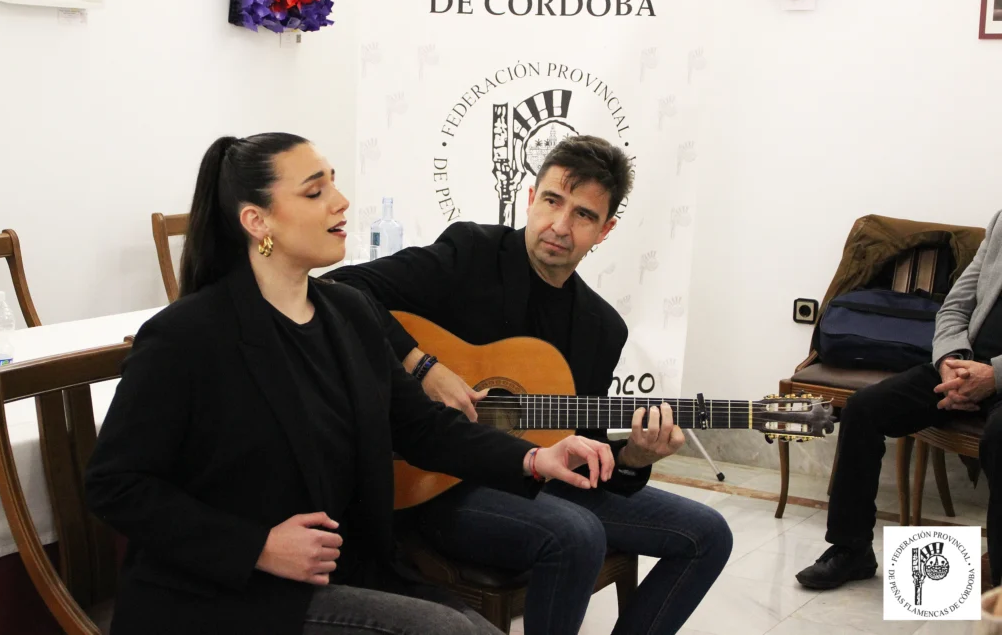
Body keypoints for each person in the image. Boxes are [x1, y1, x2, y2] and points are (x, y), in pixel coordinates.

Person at [83, 133, 618, 635]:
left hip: (350, 573)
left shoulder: (350, 312)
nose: (341, 202)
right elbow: (115, 484)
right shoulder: (186, 335)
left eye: (334, 184)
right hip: (228, 596)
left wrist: (532, 459)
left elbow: (424, 429)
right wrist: (257, 546)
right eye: (315, 192)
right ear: (257, 221)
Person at [327, 135, 734, 635]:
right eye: (552, 201)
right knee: (576, 533)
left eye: (583, 215)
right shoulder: (471, 254)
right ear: (530, 197)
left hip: (531, 478)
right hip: (433, 479)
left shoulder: (601, 329)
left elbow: (584, 450)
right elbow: (342, 288)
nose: (560, 226)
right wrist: (422, 364)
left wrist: (633, 458)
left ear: (605, 230)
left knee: (708, 534)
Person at [796, 209, 1002, 590]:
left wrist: (994, 377)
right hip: (964, 366)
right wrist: (949, 361)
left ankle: (999, 587)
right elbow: (955, 305)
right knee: (863, 409)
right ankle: (851, 549)